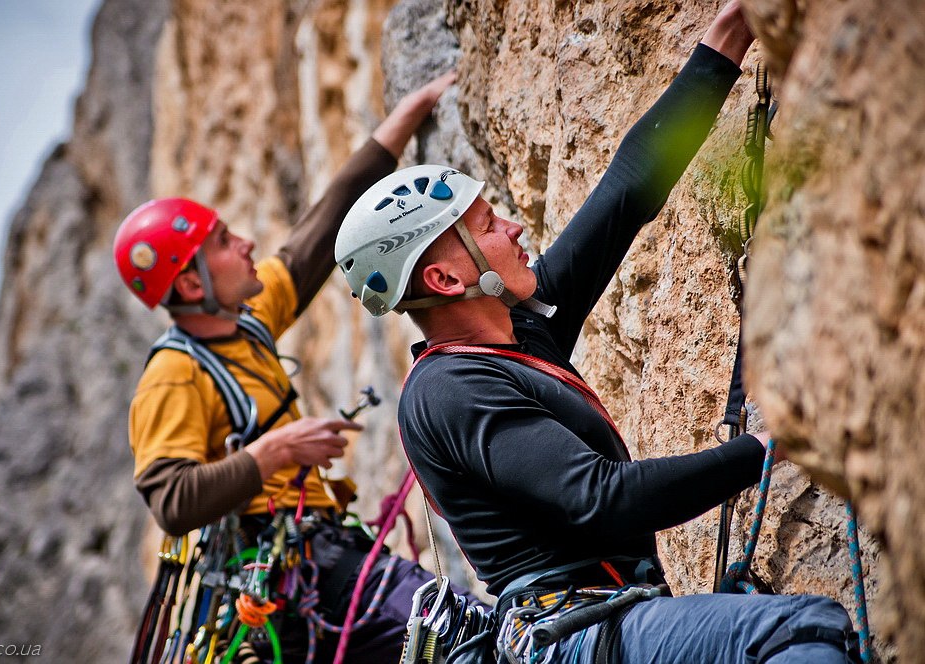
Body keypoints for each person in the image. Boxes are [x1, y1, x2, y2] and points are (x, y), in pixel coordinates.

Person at [334, 3, 859, 662]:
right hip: (570, 638)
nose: (516, 229)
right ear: (444, 280)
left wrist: (727, 40)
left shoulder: (519, 328)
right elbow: (606, 498)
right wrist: (770, 447)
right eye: (489, 226)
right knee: (797, 626)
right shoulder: (447, 392)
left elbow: (625, 195)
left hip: (602, 621)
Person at [114, 72, 481, 663]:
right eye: (223, 242)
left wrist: (408, 115)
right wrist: (274, 454)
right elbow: (171, 499)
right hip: (291, 576)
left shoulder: (250, 319)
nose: (247, 243)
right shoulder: (174, 376)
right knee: (467, 637)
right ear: (190, 282)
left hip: (312, 567)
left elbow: (321, 228)